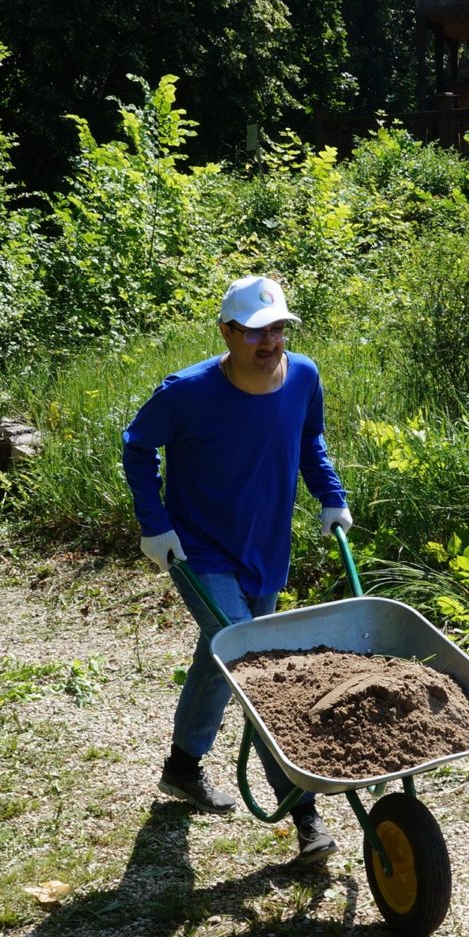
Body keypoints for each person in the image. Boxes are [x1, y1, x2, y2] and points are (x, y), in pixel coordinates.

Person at [122, 275, 353, 867]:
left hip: (265, 547)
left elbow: (310, 441)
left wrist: (331, 495)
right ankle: (305, 813)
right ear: (227, 331)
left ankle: (181, 769)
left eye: (277, 328)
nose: (270, 342)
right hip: (197, 550)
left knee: (220, 654)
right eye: (255, 332)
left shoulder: (303, 375)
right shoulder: (188, 392)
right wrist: (154, 524)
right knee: (253, 661)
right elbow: (138, 445)